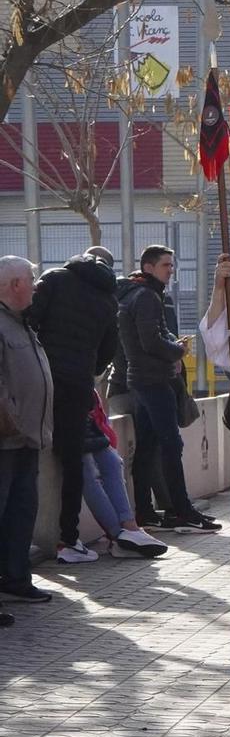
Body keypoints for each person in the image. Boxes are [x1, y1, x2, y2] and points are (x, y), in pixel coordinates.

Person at [25, 251, 121, 564]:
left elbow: (29, 319)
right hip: (78, 383)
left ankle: (24, 541)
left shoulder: (54, 278)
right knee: (72, 461)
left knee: (26, 455)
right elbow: (109, 349)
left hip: (41, 379)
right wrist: (86, 366)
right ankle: (69, 538)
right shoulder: (108, 298)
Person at [116, 246, 219, 534]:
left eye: (172, 265)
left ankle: (146, 512)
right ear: (148, 267)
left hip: (140, 380)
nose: (171, 270)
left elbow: (147, 338)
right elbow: (151, 341)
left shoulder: (134, 294)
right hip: (153, 381)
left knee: (148, 447)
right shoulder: (146, 296)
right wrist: (178, 350)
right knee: (171, 445)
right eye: (165, 265)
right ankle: (181, 511)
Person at [0, 256, 55, 610]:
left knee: (22, 511)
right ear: (15, 284)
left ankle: (16, 579)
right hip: (7, 438)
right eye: (31, 280)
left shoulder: (21, 323)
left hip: (26, 438)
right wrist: (14, 421)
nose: (36, 286)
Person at [73, 393, 167, 559]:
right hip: (65, 409)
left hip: (85, 410)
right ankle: (119, 536)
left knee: (113, 462)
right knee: (88, 473)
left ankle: (130, 528)